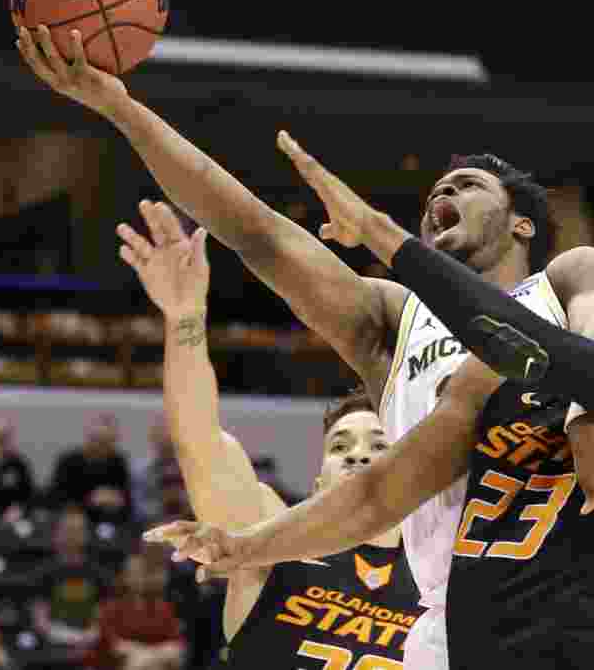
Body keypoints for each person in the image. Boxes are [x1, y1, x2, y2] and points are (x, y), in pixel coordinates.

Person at [17, 25, 594, 670]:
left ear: (523, 222)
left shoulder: (565, 278)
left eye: (469, 186)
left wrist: (589, 413)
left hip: (579, 613)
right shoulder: (394, 318)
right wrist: (122, 109)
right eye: (436, 192)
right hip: (454, 628)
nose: (443, 193)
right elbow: (258, 234)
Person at [153, 136, 594, 669]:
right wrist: (249, 548)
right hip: (447, 631)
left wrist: (381, 235)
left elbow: (574, 347)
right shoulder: (484, 371)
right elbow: (382, 490)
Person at [117, 199, 424, 668]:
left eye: (379, 444)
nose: (357, 455)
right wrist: (184, 318)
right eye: (340, 446)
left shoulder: (443, 574)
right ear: (318, 481)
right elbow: (199, 441)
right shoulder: (269, 546)